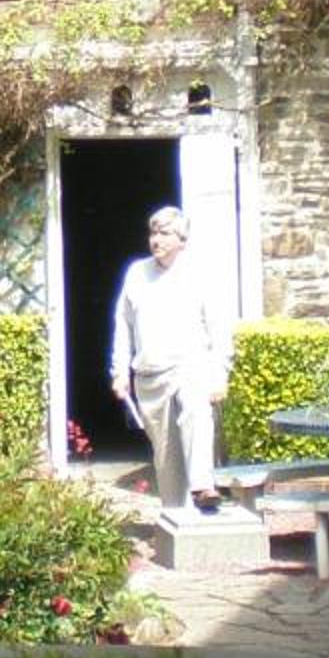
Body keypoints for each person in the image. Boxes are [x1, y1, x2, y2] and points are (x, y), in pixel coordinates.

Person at [109, 204, 228, 516]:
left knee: (196, 411)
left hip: (191, 366)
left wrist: (219, 375)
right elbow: (123, 325)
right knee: (166, 458)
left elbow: (218, 329)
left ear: (181, 240)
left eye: (164, 233)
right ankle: (176, 519)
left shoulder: (200, 274)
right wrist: (119, 372)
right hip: (150, 377)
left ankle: (203, 485)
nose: (156, 239)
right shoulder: (137, 273)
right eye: (153, 233)